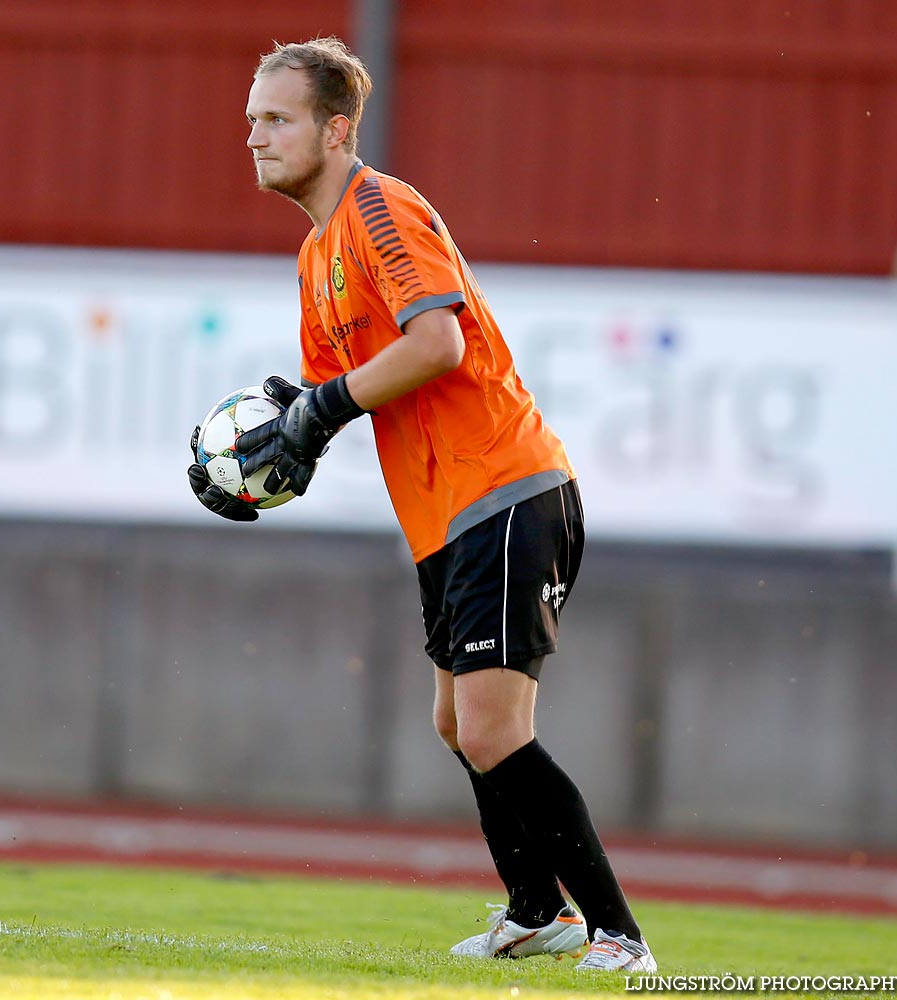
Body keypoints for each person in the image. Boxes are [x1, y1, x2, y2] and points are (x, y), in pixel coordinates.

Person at [188, 37, 655, 972]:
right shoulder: (316, 250)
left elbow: (436, 343)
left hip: (504, 487)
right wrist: (278, 449)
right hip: (448, 515)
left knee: (491, 728)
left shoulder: (379, 208)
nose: (256, 138)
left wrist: (323, 406)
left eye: (277, 120)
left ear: (337, 127)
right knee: (458, 724)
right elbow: (347, 395)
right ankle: (536, 910)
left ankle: (618, 934)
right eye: (251, 122)